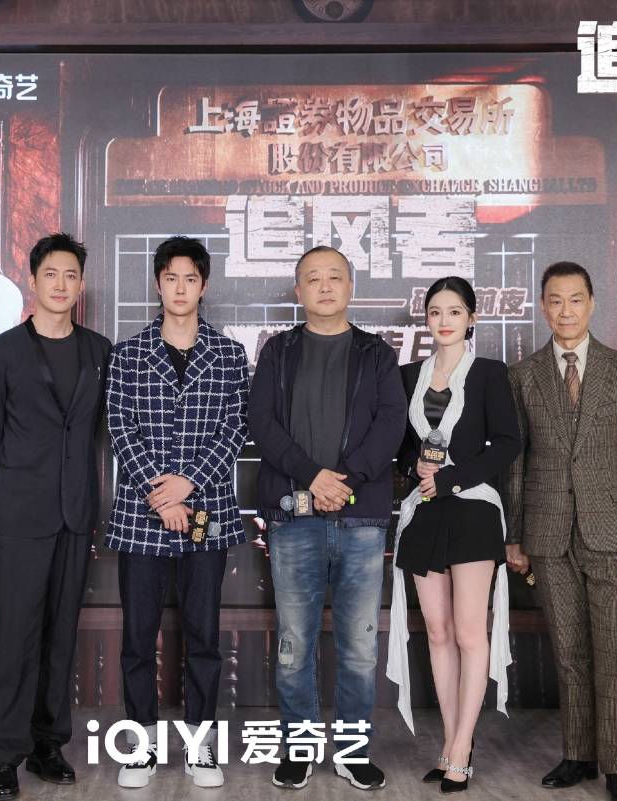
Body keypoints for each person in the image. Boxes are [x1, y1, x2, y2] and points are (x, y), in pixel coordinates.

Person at [246, 245, 406, 791]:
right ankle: (299, 749)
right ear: (298, 291)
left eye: (334, 277)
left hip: (361, 521)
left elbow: (391, 425)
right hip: (294, 517)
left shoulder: (376, 354)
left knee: (359, 646)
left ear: (350, 287)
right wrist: (313, 477)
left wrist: (347, 481)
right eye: (313, 278)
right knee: (295, 644)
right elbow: (262, 422)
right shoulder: (279, 351)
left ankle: (353, 753)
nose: (324, 286)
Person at [504, 262, 617, 801]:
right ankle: (578, 754)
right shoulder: (523, 375)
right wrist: (515, 535)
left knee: (615, 651)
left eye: (575, 299)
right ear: (542, 307)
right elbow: (517, 464)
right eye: (555, 300)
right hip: (547, 533)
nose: (566, 310)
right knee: (569, 652)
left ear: (592, 303)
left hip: (613, 532)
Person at [105, 236, 249, 790]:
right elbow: (120, 427)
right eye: (171, 278)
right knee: (138, 637)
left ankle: (200, 749)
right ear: (158, 284)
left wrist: (189, 484)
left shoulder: (229, 355)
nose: (181, 288)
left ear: (204, 285)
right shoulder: (128, 354)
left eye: (191, 278)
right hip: (141, 515)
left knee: (203, 637)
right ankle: (139, 748)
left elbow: (235, 428)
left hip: (206, 510)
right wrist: (161, 494)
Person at [0, 233, 112, 800]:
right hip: (20, 513)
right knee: (15, 633)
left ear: (81, 285)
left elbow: (97, 429)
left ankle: (48, 743)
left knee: (60, 633)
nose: (61, 284)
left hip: (76, 512)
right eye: (51, 274)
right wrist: (21, 479)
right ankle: (6, 752)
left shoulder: (99, 351)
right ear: (32, 280)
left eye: (71, 275)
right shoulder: (1, 351)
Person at [386, 276, 521, 793]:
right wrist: (414, 467)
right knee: (437, 632)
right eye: (436, 312)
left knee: (468, 632)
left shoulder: (489, 373)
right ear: (426, 318)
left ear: (471, 319)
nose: (444, 321)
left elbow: (507, 443)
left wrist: (452, 478)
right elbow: (400, 447)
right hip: (423, 513)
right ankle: (449, 742)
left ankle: (463, 747)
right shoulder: (407, 376)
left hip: (473, 510)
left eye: (455, 311)